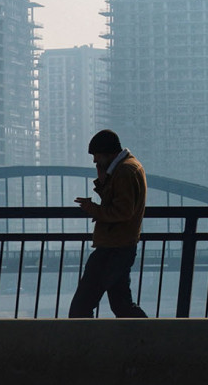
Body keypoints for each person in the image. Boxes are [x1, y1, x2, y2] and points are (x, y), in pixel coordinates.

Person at [68, 129, 148, 318]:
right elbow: (118, 203)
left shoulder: (125, 171)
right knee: (122, 306)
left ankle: (82, 344)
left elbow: (122, 211)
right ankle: (150, 340)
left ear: (107, 153)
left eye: (96, 156)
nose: (95, 161)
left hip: (113, 249)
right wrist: (103, 180)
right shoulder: (125, 168)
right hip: (120, 245)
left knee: (82, 305)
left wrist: (92, 209)